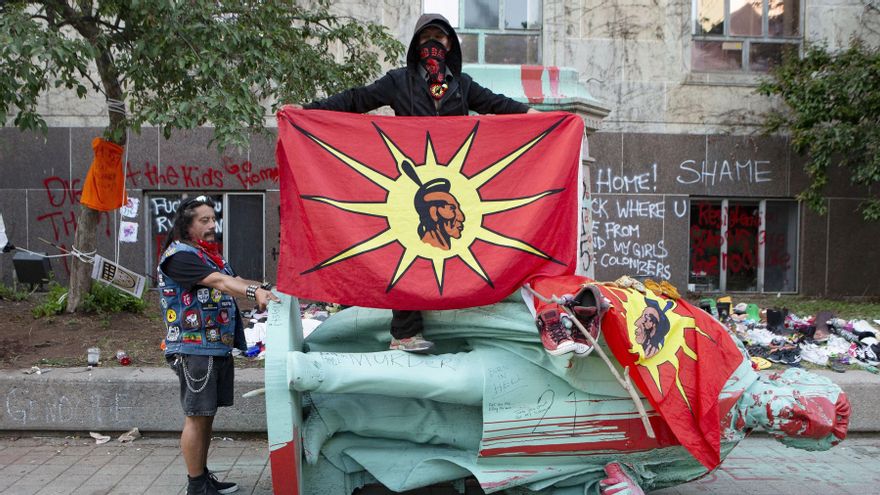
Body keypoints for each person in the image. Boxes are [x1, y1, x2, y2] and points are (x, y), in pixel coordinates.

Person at [287, 13, 539, 353]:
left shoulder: (461, 85)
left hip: (453, 182)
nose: (433, 45)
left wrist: (538, 118)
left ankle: (460, 327)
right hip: (410, 185)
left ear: (450, 43)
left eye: (440, 38)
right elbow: (355, 100)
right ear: (416, 44)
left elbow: (497, 105)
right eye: (426, 38)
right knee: (407, 251)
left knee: (457, 252)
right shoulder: (398, 81)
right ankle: (403, 332)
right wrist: (307, 110)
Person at [158, 194, 279, 495]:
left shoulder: (209, 254)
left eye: (214, 219)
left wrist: (269, 289)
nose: (213, 225)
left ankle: (201, 476)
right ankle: (196, 485)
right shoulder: (180, 256)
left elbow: (234, 279)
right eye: (205, 220)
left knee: (206, 415)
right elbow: (222, 283)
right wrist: (255, 293)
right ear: (187, 225)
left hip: (215, 346)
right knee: (197, 417)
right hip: (193, 348)